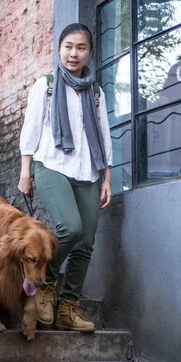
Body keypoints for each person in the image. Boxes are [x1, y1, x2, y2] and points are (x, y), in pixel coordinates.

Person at [18, 23, 113, 332]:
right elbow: (30, 131)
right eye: (69, 46)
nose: (74, 53)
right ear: (59, 50)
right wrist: (25, 173)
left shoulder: (95, 92)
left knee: (86, 241)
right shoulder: (45, 86)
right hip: (51, 165)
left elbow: (103, 136)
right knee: (69, 227)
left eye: (81, 47)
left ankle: (67, 307)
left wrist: (107, 178)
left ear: (90, 53)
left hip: (87, 170)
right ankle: (44, 284)